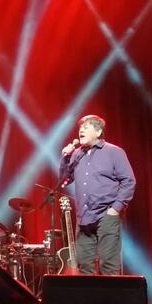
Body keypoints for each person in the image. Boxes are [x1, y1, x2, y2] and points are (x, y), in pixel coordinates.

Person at [60, 115, 136, 275]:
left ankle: (113, 300)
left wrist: (115, 209)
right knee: (84, 266)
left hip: (106, 215)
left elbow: (129, 181)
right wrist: (65, 158)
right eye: (80, 128)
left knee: (108, 265)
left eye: (86, 127)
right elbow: (64, 180)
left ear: (98, 131)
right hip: (83, 218)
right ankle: (90, 300)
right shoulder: (76, 154)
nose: (81, 130)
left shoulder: (114, 152)